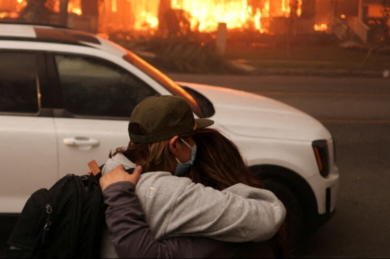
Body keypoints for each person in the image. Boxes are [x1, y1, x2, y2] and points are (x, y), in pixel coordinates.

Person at [97, 95, 286, 258]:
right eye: (191, 138)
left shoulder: (109, 171)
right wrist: (223, 195)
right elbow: (269, 215)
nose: (194, 144)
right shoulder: (169, 192)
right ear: (175, 145)